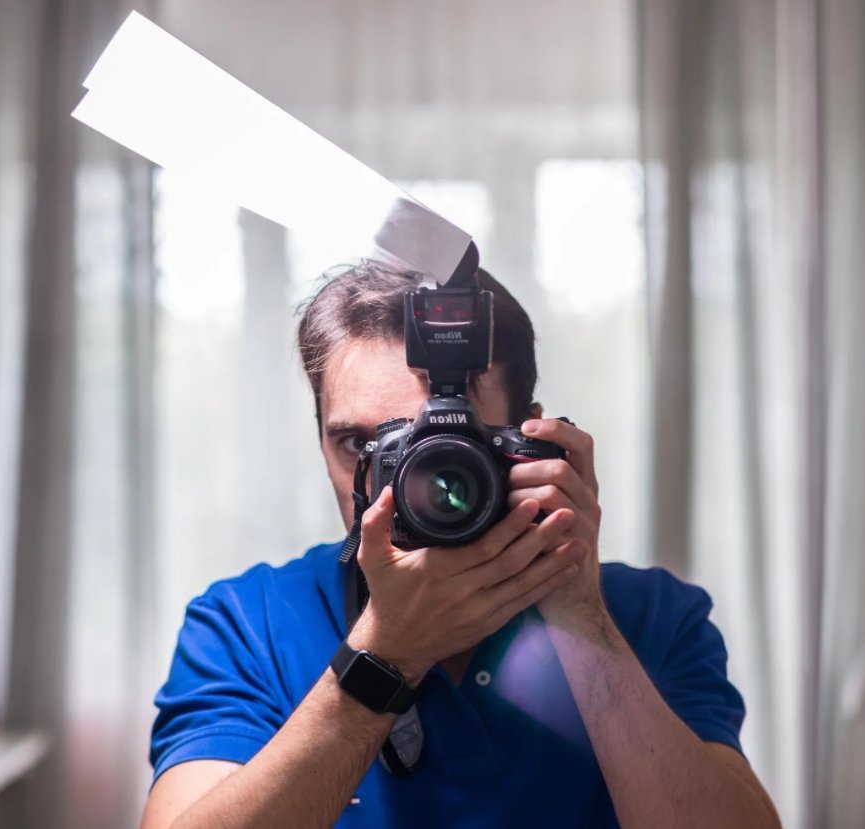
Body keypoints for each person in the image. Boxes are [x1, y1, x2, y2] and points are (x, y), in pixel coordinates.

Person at [140, 263, 781, 829]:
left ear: (532, 438)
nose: (406, 481)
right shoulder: (246, 624)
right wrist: (385, 657)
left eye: (442, 445)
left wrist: (579, 614)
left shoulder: (652, 617)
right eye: (365, 447)